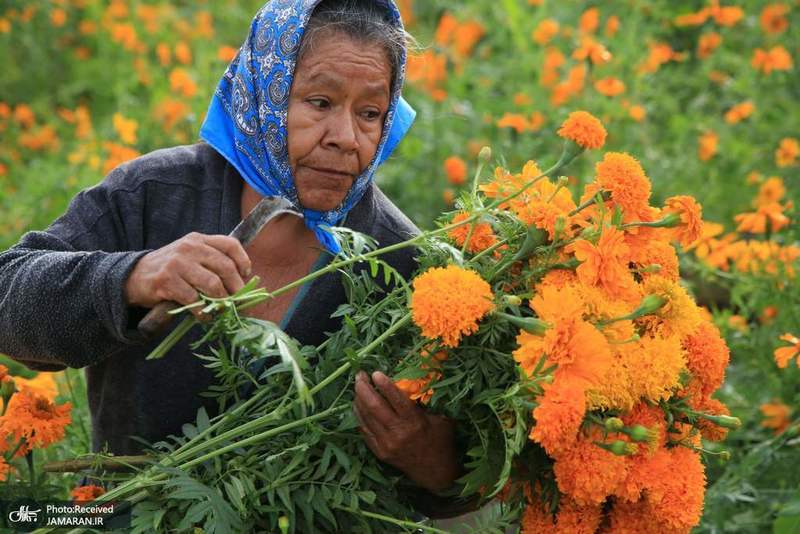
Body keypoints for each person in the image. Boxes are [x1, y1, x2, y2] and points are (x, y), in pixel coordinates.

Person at [0, 0, 468, 513]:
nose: (346, 138)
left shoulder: (403, 264)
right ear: (264, 93)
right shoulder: (152, 194)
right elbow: (8, 301)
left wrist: (437, 464)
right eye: (318, 101)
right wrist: (133, 277)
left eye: (370, 113)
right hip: (111, 516)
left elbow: (464, 482)